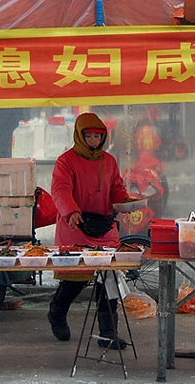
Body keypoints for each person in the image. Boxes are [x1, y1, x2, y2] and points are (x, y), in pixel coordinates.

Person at [48, 112, 132, 349]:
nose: (94, 140)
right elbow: (60, 190)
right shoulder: (65, 161)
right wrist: (71, 211)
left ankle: (108, 332)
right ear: (79, 136)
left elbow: (116, 187)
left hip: (104, 228)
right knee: (75, 279)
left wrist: (125, 203)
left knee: (109, 278)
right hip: (76, 226)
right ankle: (56, 312)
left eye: (98, 136)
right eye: (90, 136)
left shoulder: (110, 161)